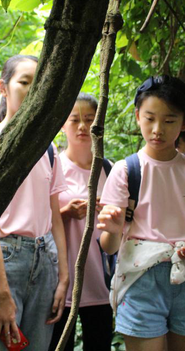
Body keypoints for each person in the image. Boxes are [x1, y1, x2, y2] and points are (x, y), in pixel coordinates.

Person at [98, 75, 185, 351]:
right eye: (149, 118)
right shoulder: (126, 171)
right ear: (137, 116)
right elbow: (108, 247)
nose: (158, 129)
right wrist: (113, 228)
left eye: (169, 121)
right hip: (140, 280)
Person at [0, 55, 69, 351]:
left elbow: (55, 215)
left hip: (43, 258)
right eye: (24, 82)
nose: (32, 90)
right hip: (3, 259)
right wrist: (1, 292)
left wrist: (63, 277)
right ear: (3, 87)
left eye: (39, 84)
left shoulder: (48, 148)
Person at [49, 93, 113, 351]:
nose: (83, 127)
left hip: (100, 278)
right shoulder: (53, 165)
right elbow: (39, 220)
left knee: (99, 345)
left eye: (89, 119)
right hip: (60, 280)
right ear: (63, 124)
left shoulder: (109, 168)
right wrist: (65, 213)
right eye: (75, 120)